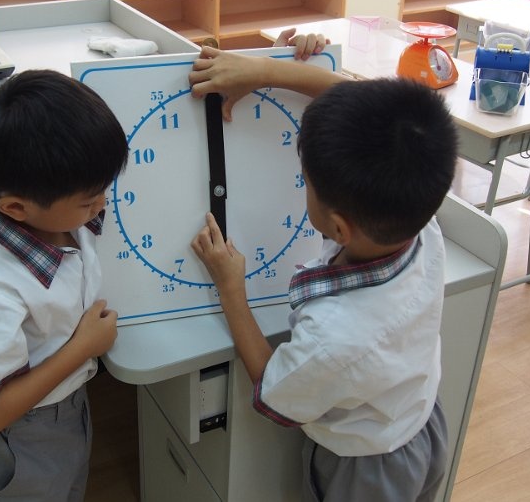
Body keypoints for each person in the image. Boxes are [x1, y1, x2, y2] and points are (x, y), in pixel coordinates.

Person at [188, 49, 458, 502]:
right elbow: (371, 111)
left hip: (366, 471)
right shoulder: (418, 216)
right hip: (421, 423)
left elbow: (273, 392)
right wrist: (266, 70)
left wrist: (232, 288)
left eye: (306, 183)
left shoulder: (335, 338)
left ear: (339, 228)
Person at [0, 69, 128, 502]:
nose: (102, 206)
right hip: (18, 433)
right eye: (89, 202)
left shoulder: (54, 214)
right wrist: (83, 346)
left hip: (66, 405)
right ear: (16, 208)